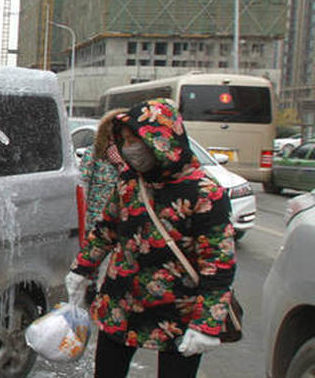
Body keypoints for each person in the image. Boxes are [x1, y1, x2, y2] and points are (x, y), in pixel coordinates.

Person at [64, 98, 236, 378]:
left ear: (162, 139)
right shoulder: (130, 182)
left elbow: (218, 264)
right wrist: (81, 269)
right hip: (120, 304)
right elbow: (106, 229)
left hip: (178, 313)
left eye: (137, 139)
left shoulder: (205, 194)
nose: (131, 148)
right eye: (127, 140)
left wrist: (207, 324)